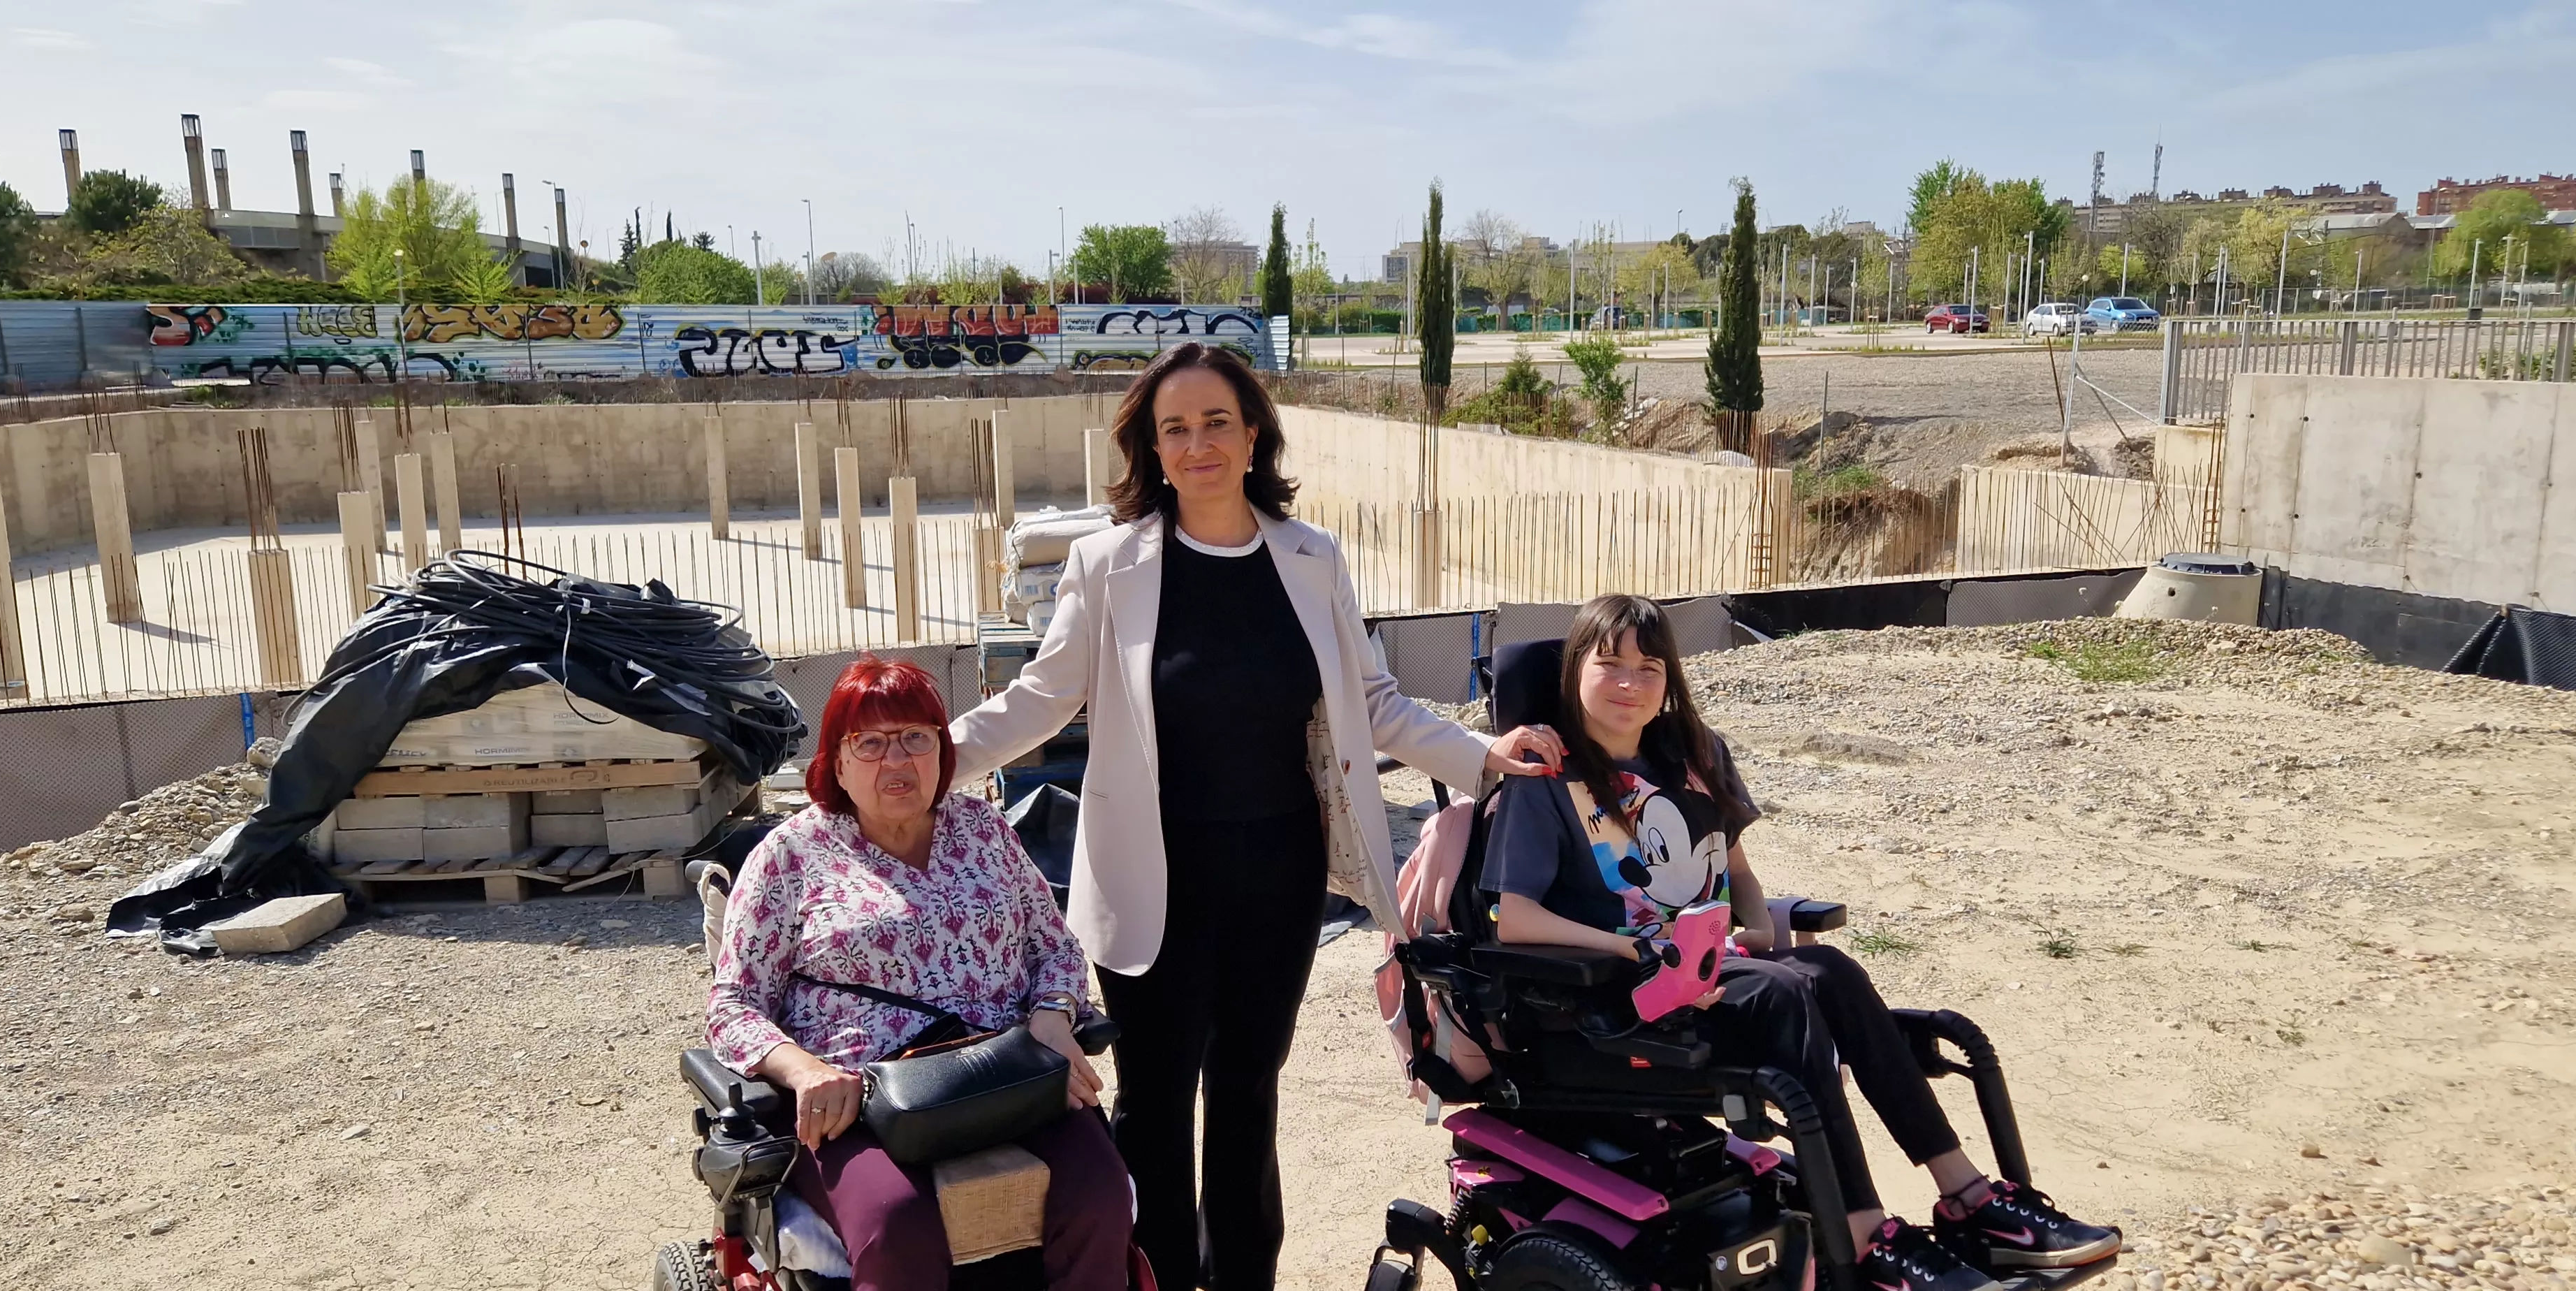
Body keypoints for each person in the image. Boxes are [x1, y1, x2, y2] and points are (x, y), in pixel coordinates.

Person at [948, 342, 1565, 1291]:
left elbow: (1378, 703)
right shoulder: (1108, 564)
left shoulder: (1310, 558)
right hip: (1151, 887)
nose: (1197, 444)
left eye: (1216, 423)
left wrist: (1481, 756)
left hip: (1277, 882)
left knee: (1247, 1101)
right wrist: (923, 758)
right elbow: (1040, 698)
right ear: (1151, 449)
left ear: (1253, 435)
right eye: (1175, 429)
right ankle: (1148, 1277)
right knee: (1154, 1110)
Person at [1477, 594, 2119, 1291]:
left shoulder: (1691, 756)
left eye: (1649, 667)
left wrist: (1753, 925)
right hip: (1617, 998)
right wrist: (1627, 947)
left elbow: (1740, 875)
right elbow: (1515, 919)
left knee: (1830, 971)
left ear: (1670, 679)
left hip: (1713, 969)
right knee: (1788, 989)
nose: (1630, 683)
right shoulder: (1545, 778)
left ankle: (1968, 1199)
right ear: (1574, 669)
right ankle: (1864, 1238)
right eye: (1610, 665)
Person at [709, 655, 1132, 1291]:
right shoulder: (791, 855)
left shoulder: (984, 829)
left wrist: (1053, 1018)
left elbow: (1055, 947)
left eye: (915, 738)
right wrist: (806, 1072)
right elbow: (734, 1004)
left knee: (1100, 1196)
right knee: (898, 1221)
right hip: (866, 1100)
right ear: (838, 763)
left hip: (1007, 1076)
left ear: (941, 750)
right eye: (870, 743)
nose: (897, 760)